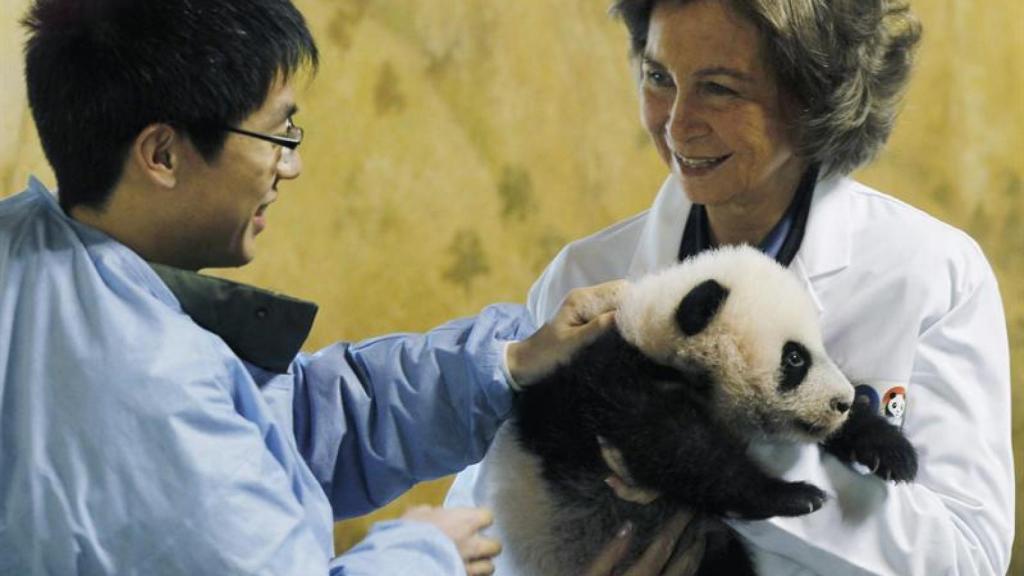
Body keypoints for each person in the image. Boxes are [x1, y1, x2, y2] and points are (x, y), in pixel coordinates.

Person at [0, 1, 696, 574]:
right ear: (161, 154)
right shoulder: (144, 386)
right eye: (277, 133)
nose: (289, 165)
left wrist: (505, 365)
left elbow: (283, 429)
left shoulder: (34, 251)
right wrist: (427, 555)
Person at [446, 0, 1014, 574]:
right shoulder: (585, 278)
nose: (677, 123)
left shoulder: (930, 271)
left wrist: (718, 449)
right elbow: (481, 524)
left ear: (815, 92)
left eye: (719, 88)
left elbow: (969, 557)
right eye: (658, 77)